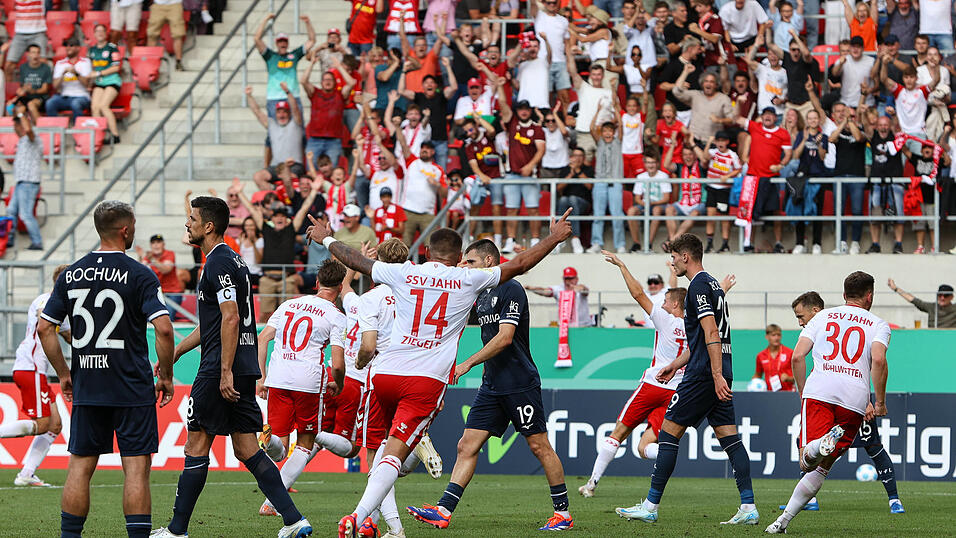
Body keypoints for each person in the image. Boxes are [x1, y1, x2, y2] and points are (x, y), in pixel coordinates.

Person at [306, 208, 573, 537]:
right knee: (410, 452)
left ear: (426, 252)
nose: (466, 265)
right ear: (458, 257)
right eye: (465, 260)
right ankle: (369, 515)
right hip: (428, 380)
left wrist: (327, 238)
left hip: (386, 374)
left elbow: (358, 261)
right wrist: (553, 239)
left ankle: (422, 510)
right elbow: (519, 263)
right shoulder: (468, 281)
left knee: (391, 449)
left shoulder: (404, 272)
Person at [151, 196, 312, 538]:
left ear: (208, 226)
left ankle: (176, 531)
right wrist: (177, 351)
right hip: (242, 366)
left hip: (219, 369)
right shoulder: (232, 261)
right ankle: (294, 520)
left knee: (196, 446)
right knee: (246, 447)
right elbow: (213, 322)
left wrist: (224, 371)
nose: (187, 223)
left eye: (192, 218)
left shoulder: (219, 262)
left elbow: (231, 318)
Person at [408, 239, 574, 532]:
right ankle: (443, 510)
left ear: (489, 261)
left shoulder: (511, 288)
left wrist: (467, 364)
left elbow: (505, 338)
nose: (466, 266)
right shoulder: (481, 292)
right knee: (466, 445)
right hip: (492, 385)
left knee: (539, 446)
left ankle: (562, 514)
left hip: (519, 383)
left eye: (471, 262)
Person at [36, 201, 175, 538]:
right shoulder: (141, 274)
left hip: (89, 383)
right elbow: (164, 329)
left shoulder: (71, 274)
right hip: (131, 386)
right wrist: (167, 376)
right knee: (136, 469)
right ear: (125, 230)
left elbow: (45, 328)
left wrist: (64, 374)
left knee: (80, 466)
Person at [616, 233, 757, 526]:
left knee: (668, 434)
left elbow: (711, 333)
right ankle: (748, 507)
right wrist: (674, 365)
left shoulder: (697, 287)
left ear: (685, 256)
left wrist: (714, 375)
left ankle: (650, 506)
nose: (672, 263)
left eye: (673, 257)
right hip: (719, 369)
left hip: (704, 374)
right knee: (730, 439)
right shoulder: (714, 285)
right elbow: (700, 339)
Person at [765, 272, 890, 533]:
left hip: (820, 391)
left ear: (844, 295)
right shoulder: (879, 324)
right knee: (822, 468)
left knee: (806, 462)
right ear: (870, 296)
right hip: (854, 400)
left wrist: (803, 392)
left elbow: (797, 356)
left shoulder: (822, 316)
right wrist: (879, 402)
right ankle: (783, 521)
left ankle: (817, 445)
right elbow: (878, 360)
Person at [781, 291, 905, 515]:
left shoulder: (827, 320)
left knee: (871, 447)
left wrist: (870, 401)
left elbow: (862, 364)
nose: (800, 322)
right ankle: (810, 498)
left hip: (851, 402)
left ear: (815, 310)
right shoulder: (834, 325)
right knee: (816, 449)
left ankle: (894, 499)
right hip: (850, 400)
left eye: (801, 316)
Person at [580, 254, 688, 496]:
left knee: (618, 433)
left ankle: (592, 483)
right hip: (675, 392)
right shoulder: (696, 326)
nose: (661, 304)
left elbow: (638, 294)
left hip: (653, 384)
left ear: (674, 305)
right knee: (644, 447)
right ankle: (668, 454)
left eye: (665, 301)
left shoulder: (666, 319)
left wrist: (622, 266)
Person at [254, 259, 349, 516]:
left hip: (278, 377)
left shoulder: (288, 304)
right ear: (340, 287)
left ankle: (270, 439)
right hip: (308, 381)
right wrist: (338, 383)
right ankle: (271, 503)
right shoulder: (336, 316)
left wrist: (261, 378)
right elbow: (338, 364)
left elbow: (262, 338)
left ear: (316, 283)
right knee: (305, 444)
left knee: (280, 449)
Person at [1, 265, 69, 487]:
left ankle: (27, 474)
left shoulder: (62, 307)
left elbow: (70, 336)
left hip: (36, 371)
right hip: (30, 368)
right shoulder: (47, 301)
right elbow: (43, 319)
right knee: (42, 424)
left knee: (55, 425)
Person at [240, 187, 314, 322]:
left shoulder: (291, 229)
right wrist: (240, 192)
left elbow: (303, 209)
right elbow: (252, 210)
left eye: (282, 216)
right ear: (272, 219)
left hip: (287, 278)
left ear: (286, 219)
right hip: (267, 279)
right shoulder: (266, 229)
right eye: (276, 216)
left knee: (287, 316)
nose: (279, 218)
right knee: (264, 315)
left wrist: (314, 190)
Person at [734, 108, 793, 252]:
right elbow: (737, 118)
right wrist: (740, 103)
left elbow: (788, 154)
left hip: (772, 178)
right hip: (753, 177)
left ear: (775, 118)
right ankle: (748, 243)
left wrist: (780, 165)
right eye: (765, 115)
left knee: (776, 210)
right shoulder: (755, 127)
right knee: (750, 210)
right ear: (761, 117)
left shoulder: (782, 133)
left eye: (771, 115)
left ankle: (778, 243)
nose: (767, 117)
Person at [498, 98, 546, 253]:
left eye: (526, 109)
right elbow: (503, 106)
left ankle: (535, 240)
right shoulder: (513, 123)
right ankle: (510, 240)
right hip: (512, 174)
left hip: (530, 175)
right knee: (511, 209)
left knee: (533, 209)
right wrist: (500, 88)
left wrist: (530, 166)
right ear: (517, 111)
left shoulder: (537, 128)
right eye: (520, 109)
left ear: (530, 111)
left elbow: (541, 149)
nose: (523, 111)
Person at [247, 86, 306, 191]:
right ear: (275, 114)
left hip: (294, 165)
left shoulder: (296, 124)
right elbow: (257, 112)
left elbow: (295, 109)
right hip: (277, 166)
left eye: (284, 112)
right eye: (279, 112)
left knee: (288, 179)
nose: (281, 115)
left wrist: (288, 92)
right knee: (258, 177)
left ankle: (283, 195)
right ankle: (274, 196)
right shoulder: (272, 125)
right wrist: (249, 96)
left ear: (289, 113)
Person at [254, 14, 315, 116]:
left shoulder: (294, 55)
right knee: (274, 126)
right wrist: (265, 20)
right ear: (276, 44)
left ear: (287, 43)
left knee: (297, 124)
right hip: (274, 98)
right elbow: (257, 39)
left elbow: (312, 41)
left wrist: (308, 23)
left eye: (284, 42)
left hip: (293, 96)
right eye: (280, 42)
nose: (282, 44)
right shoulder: (270, 56)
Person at [302, 56, 355, 169]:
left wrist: (339, 67)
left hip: (334, 141)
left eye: (330, 79)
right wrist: (311, 64)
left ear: (335, 82)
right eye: (325, 79)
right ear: (321, 82)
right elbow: (303, 81)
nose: (328, 81)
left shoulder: (340, 95)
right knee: (310, 170)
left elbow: (351, 82)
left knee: (332, 171)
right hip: (314, 139)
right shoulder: (315, 93)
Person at [6, 108, 44, 251]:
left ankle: (37, 242)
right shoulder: (22, 141)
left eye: (16, 125)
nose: (14, 128)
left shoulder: (33, 138)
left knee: (25, 214)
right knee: (11, 210)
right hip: (21, 182)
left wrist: (22, 114)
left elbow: (29, 130)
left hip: (29, 182)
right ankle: (9, 238)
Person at [629, 151, 672, 252]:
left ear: (657, 163)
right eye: (648, 162)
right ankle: (636, 243)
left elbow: (666, 198)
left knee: (656, 210)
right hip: (645, 204)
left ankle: (649, 244)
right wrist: (645, 204)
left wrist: (651, 204)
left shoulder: (663, 176)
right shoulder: (641, 176)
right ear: (644, 164)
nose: (650, 165)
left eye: (653, 162)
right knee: (631, 211)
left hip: (659, 204)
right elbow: (637, 198)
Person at [88, 25, 123, 144]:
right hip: (99, 82)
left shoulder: (112, 48)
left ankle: (115, 135)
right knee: (94, 107)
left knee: (103, 106)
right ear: (94, 34)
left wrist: (99, 73)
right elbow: (92, 68)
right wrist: (90, 82)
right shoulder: (92, 50)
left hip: (112, 81)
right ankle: (99, 135)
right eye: (97, 31)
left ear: (106, 33)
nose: (100, 33)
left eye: (102, 31)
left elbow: (116, 67)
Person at [525, 267, 592, 327]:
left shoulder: (580, 288)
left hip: (584, 325)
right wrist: (531, 288)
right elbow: (545, 291)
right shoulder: (559, 289)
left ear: (576, 279)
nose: (568, 281)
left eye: (571, 278)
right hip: (565, 327)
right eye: (566, 278)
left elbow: (585, 290)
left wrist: (581, 288)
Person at [555, 147, 593, 254]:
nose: (578, 158)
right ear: (571, 157)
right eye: (576, 156)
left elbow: (590, 186)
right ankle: (559, 237)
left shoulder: (588, 169)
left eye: (580, 156)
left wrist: (578, 171)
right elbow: (558, 188)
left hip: (583, 203)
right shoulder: (565, 169)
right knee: (563, 199)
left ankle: (575, 238)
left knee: (572, 199)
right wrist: (571, 175)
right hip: (566, 204)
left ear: (584, 157)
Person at [46, 37, 93, 121]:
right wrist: (62, 74)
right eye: (66, 45)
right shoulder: (60, 63)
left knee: (76, 104)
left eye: (71, 45)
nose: (68, 47)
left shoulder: (86, 62)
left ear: (78, 48)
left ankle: (77, 128)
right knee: (50, 103)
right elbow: (55, 86)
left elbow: (87, 84)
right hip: (64, 96)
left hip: (81, 96)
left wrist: (76, 73)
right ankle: (55, 127)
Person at [135, 234, 184, 306]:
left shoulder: (169, 254)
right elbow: (140, 271)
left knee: (168, 313)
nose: (156, 245)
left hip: (172, 293)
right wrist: (140, 257)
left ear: (163, 244)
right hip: (157, 293)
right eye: (153, 243)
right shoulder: (149, 256)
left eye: (158, 242)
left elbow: (166, 270)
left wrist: (151, 259)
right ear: (150, 245)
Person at [4, 0, 47, 80]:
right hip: (19, 34)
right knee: (9, 66)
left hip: (38, 32)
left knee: (42, 63)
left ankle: (43, 86)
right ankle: (9, 87)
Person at [887, 279, 956, 328]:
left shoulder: (954, 308)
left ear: (952, 297)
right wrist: (895, 288)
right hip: (933, 336)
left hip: (949, 337)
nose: (942, 298)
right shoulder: (932, 307)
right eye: (940, 295)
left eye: (946, 295)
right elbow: (913, 300)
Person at [11, 44, 51, 120]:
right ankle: (22, 127)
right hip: (27, 97)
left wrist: (33, 91)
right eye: (33, 52)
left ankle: (40, 127)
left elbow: (45, 89)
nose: (36, 55)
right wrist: (21, 92)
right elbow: (22, 86)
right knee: (13, 108)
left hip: (41, 98)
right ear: (28, 54)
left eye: (38, 52)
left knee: (31, 105)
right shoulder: (23, 67)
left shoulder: (46, 68)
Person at [753, 324, 794, 391]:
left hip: (788, 393)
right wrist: (752, 384)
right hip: (769, 393)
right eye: (773, 335)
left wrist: (788, 378)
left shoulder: (790, 353)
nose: (776, 338)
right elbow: (758, 375)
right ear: (767, 337)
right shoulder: (761, 356)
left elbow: (799, 377)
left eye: (779, 335)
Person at [147, 0, 187, 70]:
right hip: (158, 4)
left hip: (175, 4)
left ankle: (178, 62)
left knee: (178, 34)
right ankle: (149, 62)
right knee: (152, 34)